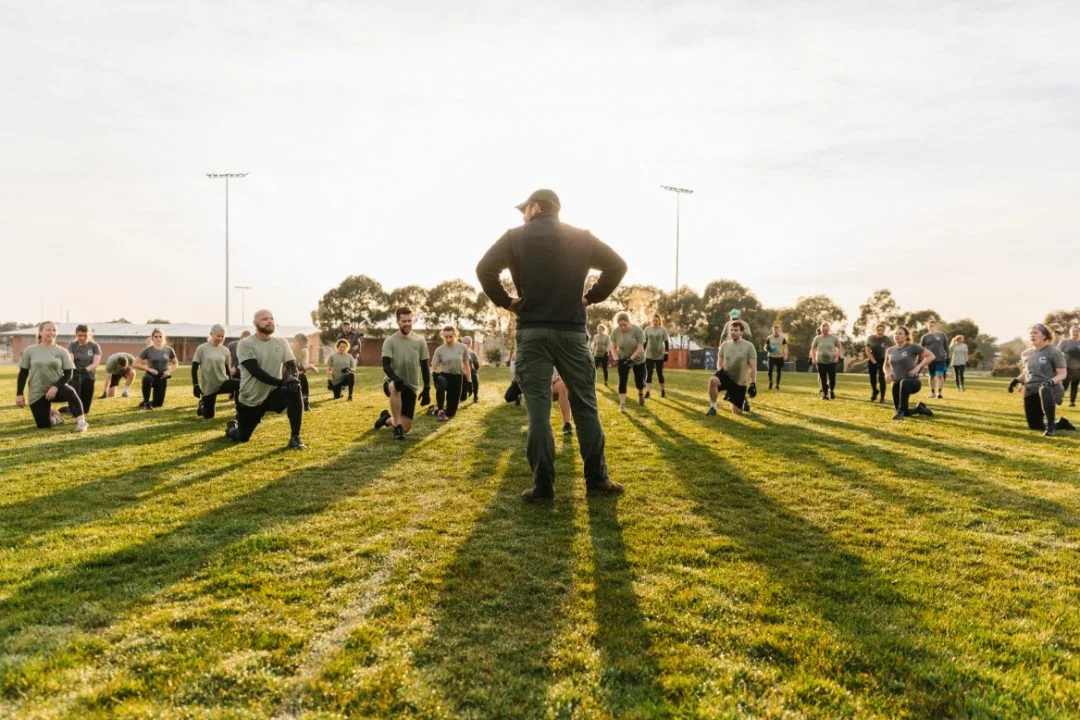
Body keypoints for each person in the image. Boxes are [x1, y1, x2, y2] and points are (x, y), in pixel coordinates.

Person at [476, 188, 627, 505]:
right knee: (586, 407)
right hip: (572, 331)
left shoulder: (515, 237)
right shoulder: (582, 237)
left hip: (533, 331)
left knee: (539, 414)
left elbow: (484, 269)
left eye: (524, 211)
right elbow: (617, 266)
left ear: (534, 207)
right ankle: (597, 481)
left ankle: (544, 489)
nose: (522, 216)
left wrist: (508, 303)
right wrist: (590, 298)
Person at [225, 309, 307, 449]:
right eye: (264, 319)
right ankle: (232, 428)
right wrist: (282, 382)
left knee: (295, 389)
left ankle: (295, 437)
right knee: (242, 437)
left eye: (271, 318)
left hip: (273, 393)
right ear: (255, 323)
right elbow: (256, 371)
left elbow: (292, 365)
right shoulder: (245, 344)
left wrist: (293, 378)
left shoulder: (281, 342)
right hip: (252, 398)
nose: (269, 321)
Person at [15, 321, 89, 432]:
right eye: (48, 329)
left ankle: (81, 422)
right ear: (40, 333)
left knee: (70, 391)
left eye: (54, 330)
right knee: (44, 426)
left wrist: (55, 386)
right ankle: (55, 416)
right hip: (37, 392)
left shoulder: (62, 352)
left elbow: (69, 374)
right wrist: (19, 394)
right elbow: (23, 373)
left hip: (57, 389)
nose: (52, 332)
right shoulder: (29, 351)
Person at [373, 307, 431, 440]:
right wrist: (394, 377)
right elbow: (386, 365)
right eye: (404, 321)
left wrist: (427, 388)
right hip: (392, 381)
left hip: (410, 386)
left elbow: (425, 366)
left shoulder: (420, 341)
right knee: (396, 387)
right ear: (398, 322)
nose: (407, 324)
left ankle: (387, 419)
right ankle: (397, 427)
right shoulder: (390, 341)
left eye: (410, 320)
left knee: (407, 428)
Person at [1010, 324, 1074, 436]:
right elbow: (1026, 373)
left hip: (1050, 389)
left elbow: (1062, 374)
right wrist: (1016, 380)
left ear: (1044, 336)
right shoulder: (1026, 353)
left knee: (1044, 388)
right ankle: (1061, 423)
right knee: (1035, 426)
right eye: (1030, 333)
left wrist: (1050, 381)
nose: (1032, 335)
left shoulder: (1054, 352)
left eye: (1035, 333)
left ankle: (1051, 428)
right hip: (1031, 390)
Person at [884, 327, 935, 421]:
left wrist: (918, 367)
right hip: (897, 383)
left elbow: (931, 356)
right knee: (903, 410)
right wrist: (887, 374)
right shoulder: (890, 350)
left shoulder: (912, 347)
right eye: (895, 333)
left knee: (904, 382)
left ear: (906, 336)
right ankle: (919, 409)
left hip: (913, 382)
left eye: (900, 334)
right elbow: (886, 365)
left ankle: (901, 412)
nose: (897, 335)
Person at [707, 320, 757, 416]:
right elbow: (719, 362)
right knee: (713, 380)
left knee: (737, 412)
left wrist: (753, 383)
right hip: (726, 376)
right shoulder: (724, 345)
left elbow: (753, 367)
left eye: (736, 330)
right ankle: (713, 407)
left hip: (739, 383)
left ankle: (742, 402)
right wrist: (721, 372)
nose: (733, 332)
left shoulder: (749, 346)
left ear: (741, 332)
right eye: (731, 330)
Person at [192, 323, 238, 419]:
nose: (220, 338)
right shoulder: (201, 349)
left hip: (223, 382)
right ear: (211, 334)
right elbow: (194, 368)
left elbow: (226, 369)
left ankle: (241, 412)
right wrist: (195, 385)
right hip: (209, 386)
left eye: (222, 336)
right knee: (209, 416)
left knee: (241, 384)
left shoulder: (225, 350)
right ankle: (202, 406)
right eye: (218, 336)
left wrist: (232, 388)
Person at [430, 325, 471, 421]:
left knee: (451, 413)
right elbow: (433, 367)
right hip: (444, 376)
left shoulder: (462, 348)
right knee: (440, 384)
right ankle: (440, 410)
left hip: (457, 378)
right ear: (443, 336)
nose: (448, 339)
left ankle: (433, 410)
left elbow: (466, 366)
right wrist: (434, 375)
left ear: (455, 335)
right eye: (446, 337)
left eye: (450, 336)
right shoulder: (439, 350)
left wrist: (469, 382)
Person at [610, 311, 646, 411]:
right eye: (620, 325)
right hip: (623, 358)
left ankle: (640, 393)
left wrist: (630, 359)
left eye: (624, 325)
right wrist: (617, 359)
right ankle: (622, 404)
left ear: (629, 322)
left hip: (638, 358)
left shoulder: (637, 330)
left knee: (639, 382)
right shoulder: (616, 332)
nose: (622, 327)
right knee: (622, 380)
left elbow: (640, 348)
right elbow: (613, 348)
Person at [134, 328, 177, 409]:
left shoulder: (169, 350)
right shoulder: (147, 350)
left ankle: (146, 403)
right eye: (156, 337)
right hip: (151, 375)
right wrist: (149, 369)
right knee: (146, 379)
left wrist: (169, 371)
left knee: (158, 404)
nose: (158, 338)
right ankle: (146, 402)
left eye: (160, 336)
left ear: (163, 338)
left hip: (162, 377)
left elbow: (175, 363)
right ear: (152, 338)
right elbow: (135, 363)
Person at [67, 324, 102, 414]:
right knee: (74, 404)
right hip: (75, 375)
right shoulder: (72, 345)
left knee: (85, 410)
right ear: (76, 335)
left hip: (89, 376)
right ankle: (71, 408)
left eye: (85, 335)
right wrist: (74, 370)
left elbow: (96, 362)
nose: (82, 338)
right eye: (79, 335)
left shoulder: (94, 346)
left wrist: (85, 370)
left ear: (89, 335)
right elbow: (70, 359)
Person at [810, 322, 842, 400]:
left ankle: (831, 391)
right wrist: (813, 359)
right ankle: (825, 394)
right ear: (821, 330)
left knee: (832, 379)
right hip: (820, 361)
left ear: (829, 329)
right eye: (823, 330)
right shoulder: (817, 338)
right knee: (823, 379)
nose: (825, 331)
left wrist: (837, 357)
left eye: (826, 330)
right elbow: (813, 349)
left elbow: (840, 348)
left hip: (831, 361)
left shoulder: (833, 338)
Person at [864, 324, 894, 403]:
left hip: (883, 360)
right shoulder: (871, 338)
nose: (880, 332)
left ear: (884, 331)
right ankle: (875, 391)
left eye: (882, 330)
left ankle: (882, 398)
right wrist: (874, 361)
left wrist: (888, 361)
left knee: (881, 378)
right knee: (872, 379)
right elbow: (867, 351)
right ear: (876, 330)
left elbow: (892, 350)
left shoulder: (887, 339)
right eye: (878, 330)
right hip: (872, 359)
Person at [920, 319, 949, 399]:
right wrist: (922, 359)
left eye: (933, 325)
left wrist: (948, 357)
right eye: (930, 326)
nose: (931, 327)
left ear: (936, 326)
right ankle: (932, 392)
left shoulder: (942, 335)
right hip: (930, 360)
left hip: (941, 359)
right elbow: (921, 349)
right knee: (932, 376)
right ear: (927, 327)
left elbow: (946, 347)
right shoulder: (925, 337)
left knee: (940, 375)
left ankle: (939, 393)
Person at [643, 314, 670, 399]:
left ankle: (662, 390)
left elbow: (666, 342)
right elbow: (644, 341)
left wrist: (666, 353)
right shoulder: (647, 329)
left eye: (656, 321)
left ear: (659, 321)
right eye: (653, 321)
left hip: (659, 354)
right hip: (649, 354)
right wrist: (643, 352)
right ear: (652, 321)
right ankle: (647, 392)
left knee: (659, 373)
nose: (655, 322)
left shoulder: (663, 330)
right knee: (649, 374)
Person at [1057, 325, 1080, 407]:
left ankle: (1072, 402)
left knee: (1075, 385)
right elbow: (1057, 352)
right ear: (1070, 332)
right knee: (1064, 384)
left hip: (1078, 369)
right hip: (1066, 367)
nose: (1075, 333)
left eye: (1077, 331)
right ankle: (1059, 399)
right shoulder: (1065, 342)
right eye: (1073, 331)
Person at [293, 333, 316, 411]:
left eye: (303, 345)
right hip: (285, 372)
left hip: (298, 371)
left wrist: (306, 367)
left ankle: (305, 403)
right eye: (299, 344)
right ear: (295, 341)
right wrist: (310, 367)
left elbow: (303, 365)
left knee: (303, 378)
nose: (301, 347)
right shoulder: (288, 349)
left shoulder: (304, 351)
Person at [763, 323, 788, 390]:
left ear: (779, 330)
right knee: (770, 370)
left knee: (778, 371)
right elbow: (765, 347)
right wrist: (767, 349)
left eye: (777, 330)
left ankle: (777, 385)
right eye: (774, 330)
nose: (776, 331)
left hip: (779, 356)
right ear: (772, 330)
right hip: (771, 356)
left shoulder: (782, 338)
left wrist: (785, 354)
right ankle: (770, 382)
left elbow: (785, 347)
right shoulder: (769, 338)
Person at [552, 368, 574, 436]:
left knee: (563, 385)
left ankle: (567, 423)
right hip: (538, 384)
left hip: (554, 383)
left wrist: (560, 377)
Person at [460, 336, 480, 404]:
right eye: (464, 342)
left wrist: (473, 371)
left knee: (475, 376)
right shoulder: (458, 352)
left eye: (468, 343)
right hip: (461, 374)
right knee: (463, 398)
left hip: (471, 373)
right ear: (462, 343)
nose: (466, 344)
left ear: (470, 344)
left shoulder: (473, 354)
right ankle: (463, 392)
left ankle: (475, 396)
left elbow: (477, 365)